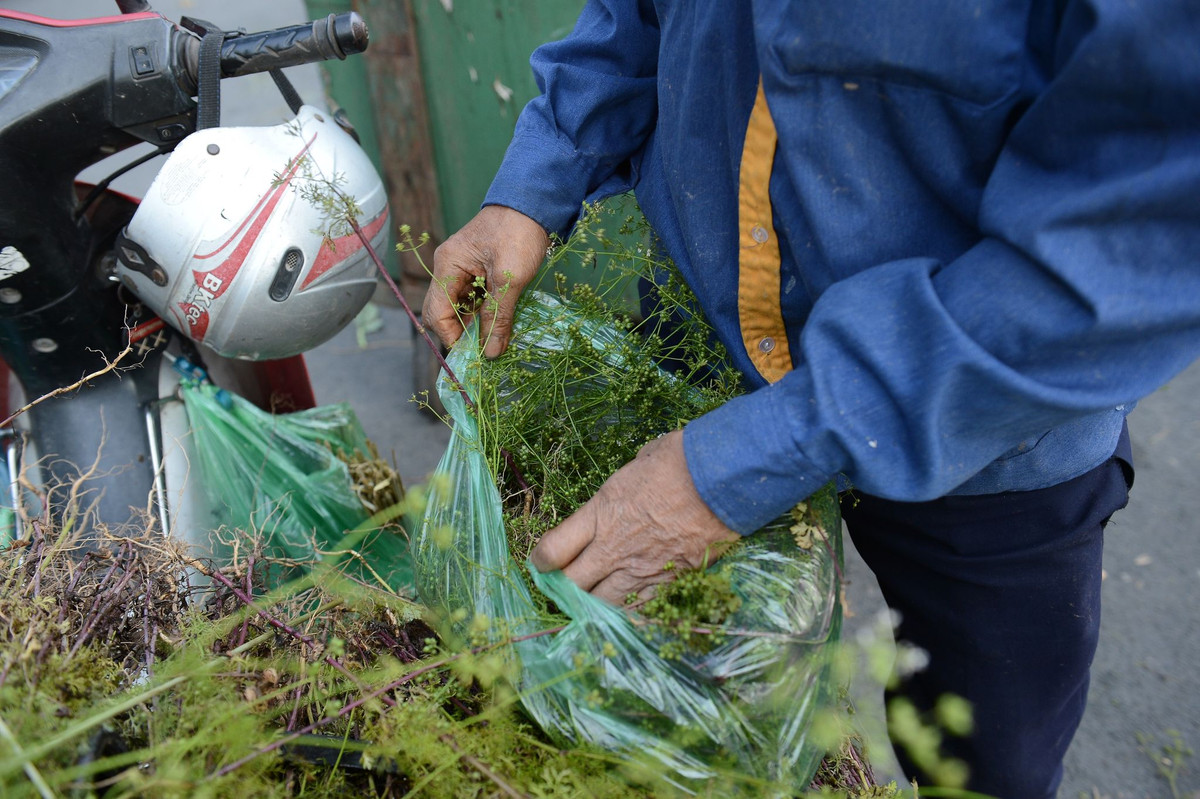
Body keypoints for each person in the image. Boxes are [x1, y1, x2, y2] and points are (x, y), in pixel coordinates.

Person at [421, 2, 1199, 796]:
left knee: (991, 763)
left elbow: (1135, 237)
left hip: (990, 431)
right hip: (700, 353)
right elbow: (637, 15)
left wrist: (737, 467)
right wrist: (535, 178)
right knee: (665, 727)